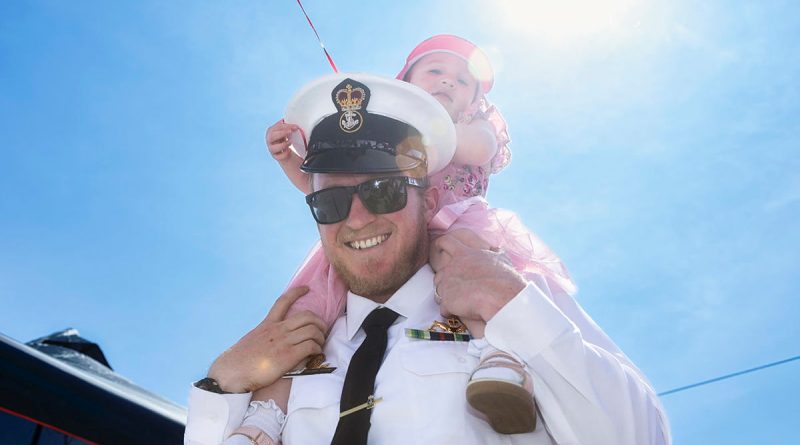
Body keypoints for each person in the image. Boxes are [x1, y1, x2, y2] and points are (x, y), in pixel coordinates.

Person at [184, 72, 671, 445]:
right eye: (330, 202)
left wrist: (512, 306)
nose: (355, 219)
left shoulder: (512, 306)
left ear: (431, 202)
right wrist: (222, 386)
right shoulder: (290, 356)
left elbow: (639, 436)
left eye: (383, 191)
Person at [258, 35, 578, 436]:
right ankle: (265, 413)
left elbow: (478, 149)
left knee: (469, 278)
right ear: (407, 81)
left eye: (463, 81)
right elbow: (323, 189)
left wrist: (417, 132)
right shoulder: (390, 133)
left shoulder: (472, 125)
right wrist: (290, 157)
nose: (448, 82)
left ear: (475, 99)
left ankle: (498, 359)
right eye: (435, 71)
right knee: (304, 314)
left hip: (455, 222)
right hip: (384, 225)